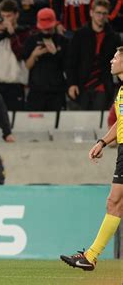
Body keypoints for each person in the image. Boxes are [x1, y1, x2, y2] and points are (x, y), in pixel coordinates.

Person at [60, 46, 123, 271]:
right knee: (114, 203)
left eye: (116, 57)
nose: (111, 61)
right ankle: (90, 256)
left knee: (114, 203)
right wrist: (102, 141)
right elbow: (120, 122)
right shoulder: (121, 91)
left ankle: (91, 255)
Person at [67, 0, 121, 111]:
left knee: (98, 120)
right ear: (91, 13)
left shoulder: (114, 37)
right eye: (98, 13)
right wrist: (72, 84)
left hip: (103, 86)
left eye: (104, 13)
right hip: (82, 86)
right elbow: (71, 61)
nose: (101, 17)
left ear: (108, 15)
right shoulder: (80, 35)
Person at [0, 0, 31, 111]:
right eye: (3, 16)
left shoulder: (25, 32)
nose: (5, 19)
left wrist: (12, 33)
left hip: (15, 84)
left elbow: (21, 54)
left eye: (9, 16)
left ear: (16, 15)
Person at [23, 8, 68, 111]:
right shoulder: (31, 41)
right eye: (44, 28)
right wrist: (34, 55)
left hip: (57, 91)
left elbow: (67, 67)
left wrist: (56, 53)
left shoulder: (63, 41)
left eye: (48, 28)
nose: (46, 30)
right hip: (36, 91)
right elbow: (27, 66)